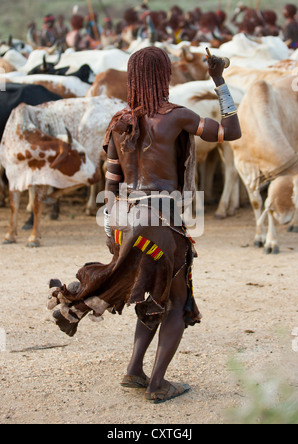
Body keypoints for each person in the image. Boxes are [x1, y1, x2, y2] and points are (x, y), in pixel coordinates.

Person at [48, 47, 241, 403]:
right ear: (164, 76)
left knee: (154, 297)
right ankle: (157, 384)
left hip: (123, 223)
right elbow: (231, 132)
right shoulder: (177, 117)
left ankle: (135, 371)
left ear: (132, 78)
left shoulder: (119, 122)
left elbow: (110, 183)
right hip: (161, 223)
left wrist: (110, 233)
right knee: (178, 303)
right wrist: (218, 80)